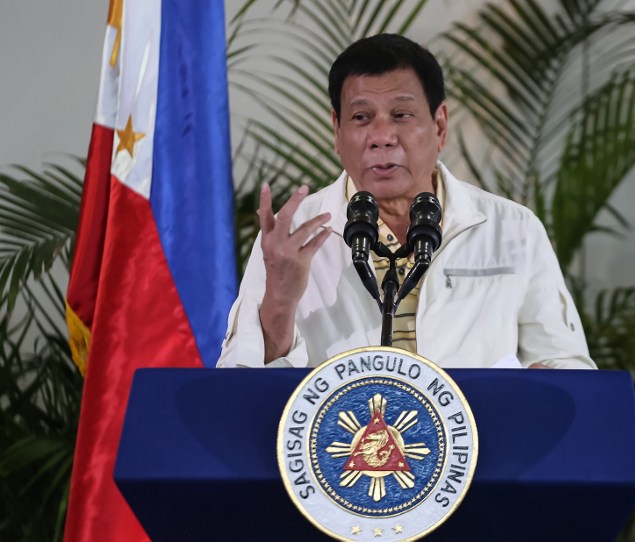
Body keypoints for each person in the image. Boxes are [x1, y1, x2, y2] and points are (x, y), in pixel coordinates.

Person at [217, 34, 596, 370]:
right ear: (337, 131)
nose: (382, 136)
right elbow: (240, 389)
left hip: (485, 448)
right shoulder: (291, 236)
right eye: (362, 117)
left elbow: (569, 368)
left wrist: (551, 386)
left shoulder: (512, 228)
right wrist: (280, 302)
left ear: (440, 125)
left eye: (401, 115)